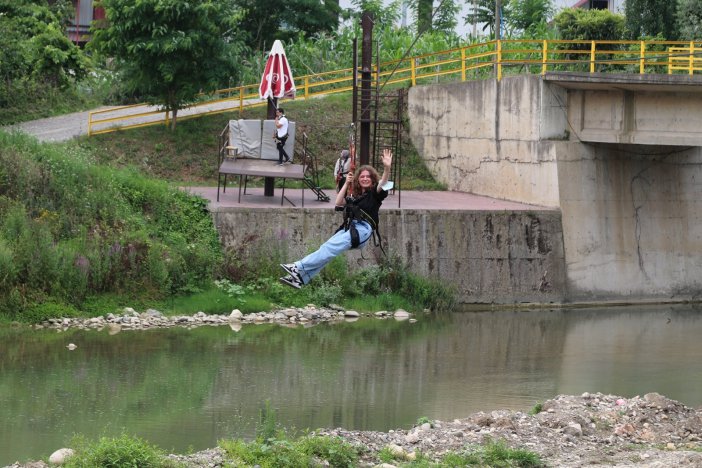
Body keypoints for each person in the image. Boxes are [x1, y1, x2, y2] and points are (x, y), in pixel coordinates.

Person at [279, 148, 393, 289]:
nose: (364, 178)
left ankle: (298, 267)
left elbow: (383, 182)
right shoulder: (355, 197)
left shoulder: (375, 194)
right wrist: (346, 183)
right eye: (362, 176)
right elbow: (338, 203)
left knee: (330, 248)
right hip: (350, 228)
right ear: (358, 179)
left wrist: (387, 168)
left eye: (367, 176)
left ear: (372, 179)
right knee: (326, 249)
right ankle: (301, 278)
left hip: (362, 230)